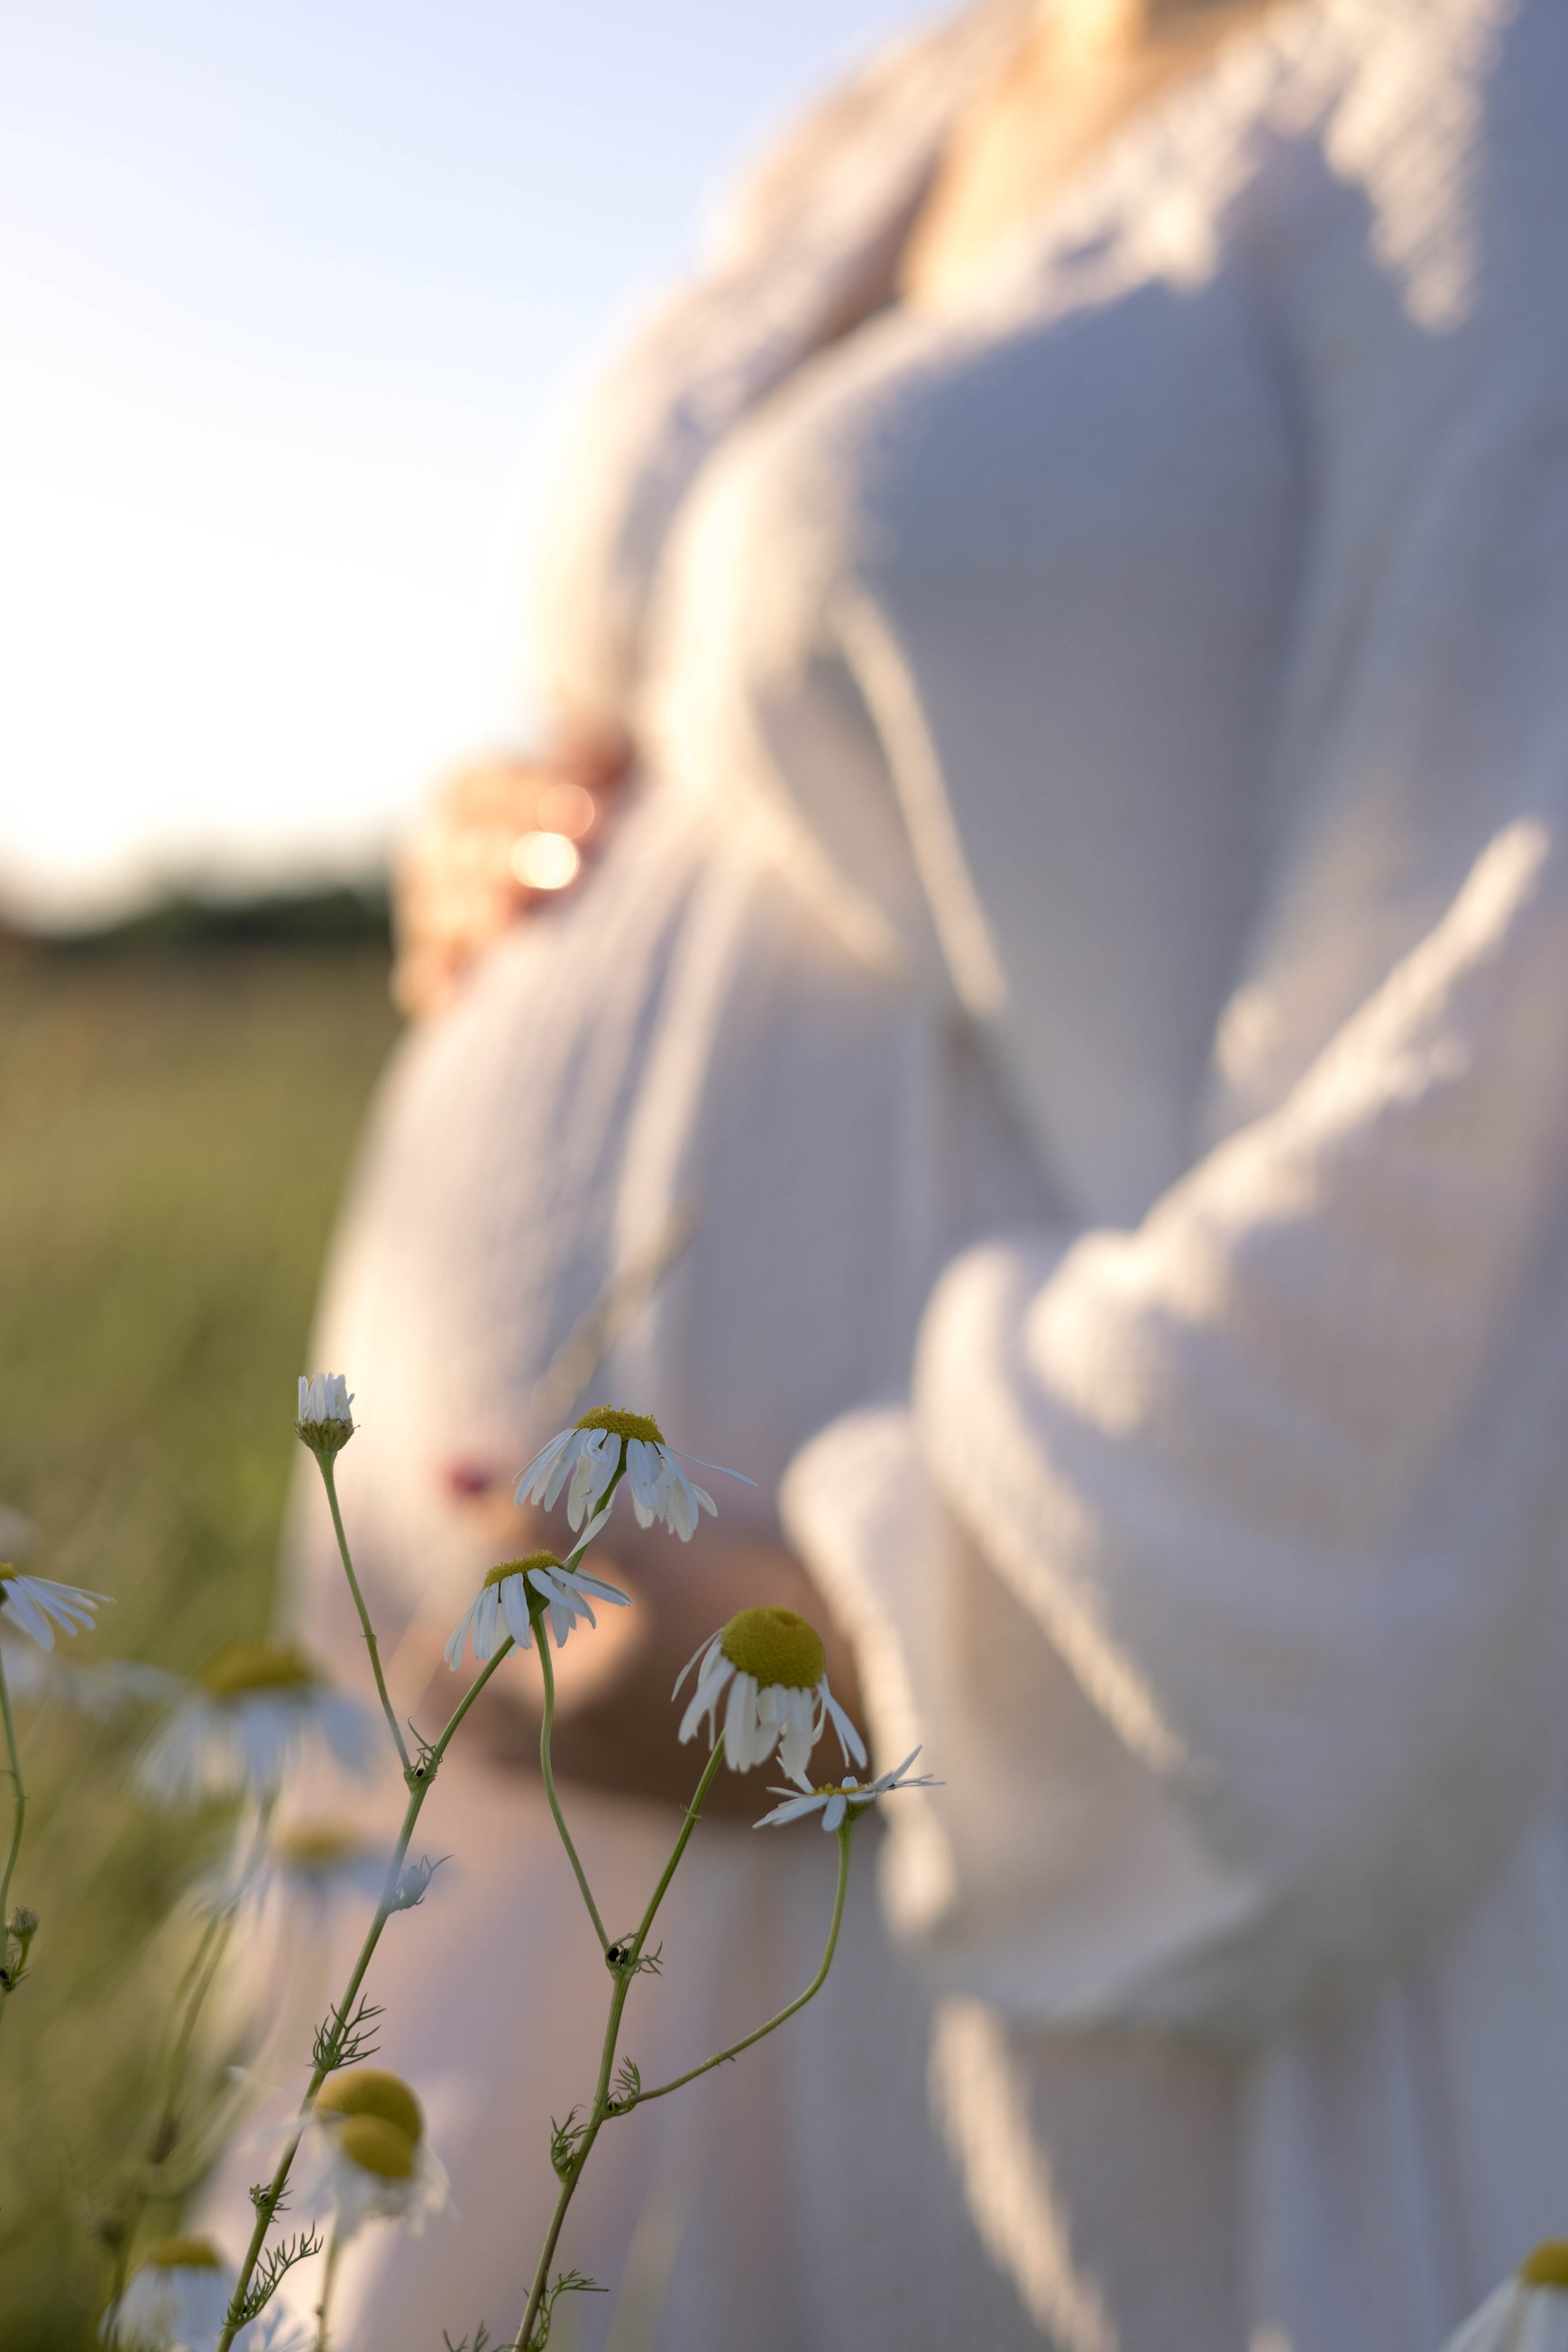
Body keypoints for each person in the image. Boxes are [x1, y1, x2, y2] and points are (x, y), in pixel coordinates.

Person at [262, 1, 1568, 2345]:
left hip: (973, 1871)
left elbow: (1495, 1044)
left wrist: (890, 1650)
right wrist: (528, 819)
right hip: (536, 1793)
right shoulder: (882, 126)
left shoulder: (1491, 85)